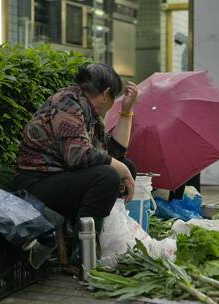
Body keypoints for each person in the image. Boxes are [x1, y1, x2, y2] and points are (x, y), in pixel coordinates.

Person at [13, 63, 138, 263]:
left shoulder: (86, 109)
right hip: (35, 183)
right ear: (106, 94)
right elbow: (77, 155)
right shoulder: (67, 103)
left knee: (125, 166)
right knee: (109, 175)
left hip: (59, 178)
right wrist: (121, 169)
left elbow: (114, 152)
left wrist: (126, 112)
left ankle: (98, 237)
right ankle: (82, 254)